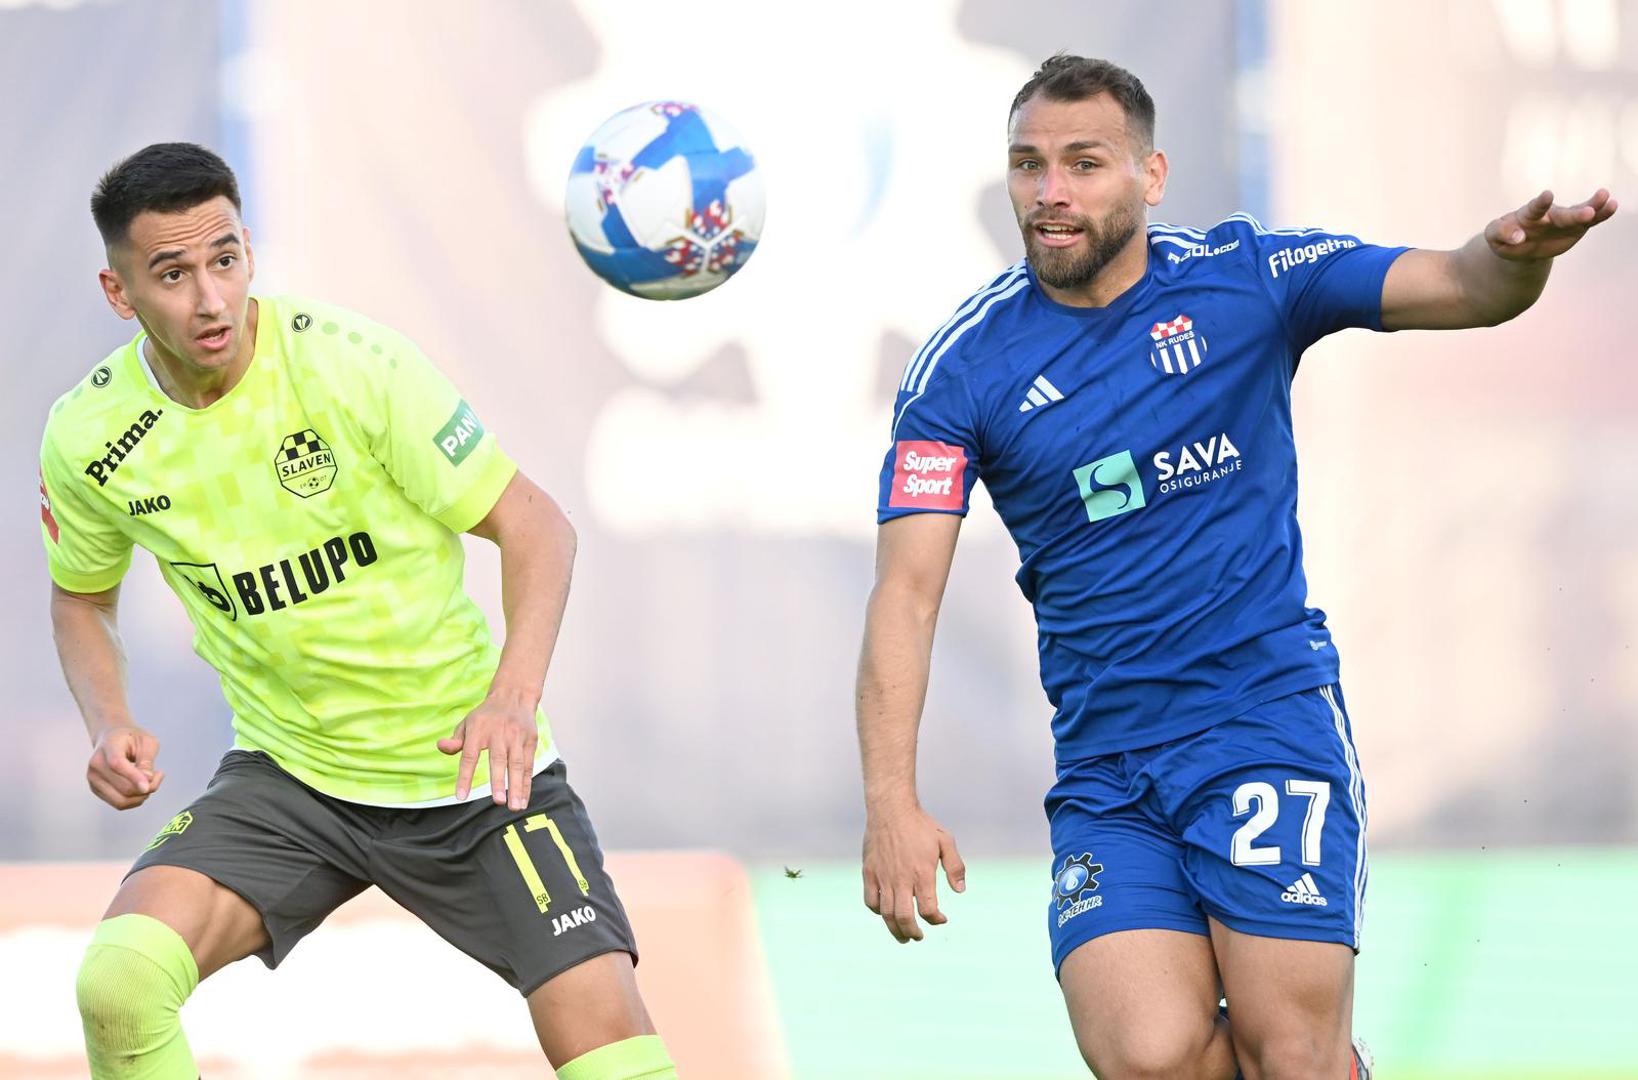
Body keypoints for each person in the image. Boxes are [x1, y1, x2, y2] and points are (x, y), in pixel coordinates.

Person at [855, 54, 1615, 1079]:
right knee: (1147, 1057)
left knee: (1289, 1054)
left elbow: (1463, 284)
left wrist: (1515, 259)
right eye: (1029, 165)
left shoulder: (1245, 278)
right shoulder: (962, 368)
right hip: (1108, 770)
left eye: (1084, 163)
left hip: (1262, 724)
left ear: (1152, 175)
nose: (1051, 192)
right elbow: (906, 595)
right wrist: (890, 803)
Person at [42, 142, 677, 1080]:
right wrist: (109, 720)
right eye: (172, 275)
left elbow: (538, 527)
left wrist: (511, 697)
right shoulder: (89, 436)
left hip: (469, 771)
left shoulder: (353, 365)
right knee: (119, 985)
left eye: (225, 259)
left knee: (617, 1061)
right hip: (292, 779)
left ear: (248, 250)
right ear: (118, 291)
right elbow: (82, 597)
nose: (210, 299)